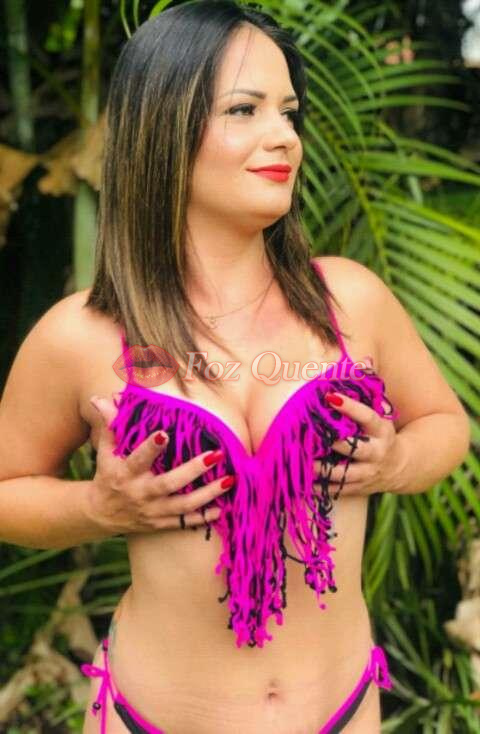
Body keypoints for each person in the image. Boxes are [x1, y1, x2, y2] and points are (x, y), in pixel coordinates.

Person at [0, 1, 470, 732]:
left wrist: (397, 461)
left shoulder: (350, 300)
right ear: (164, 125)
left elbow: (446, 424)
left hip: (344, 712)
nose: (284, 136)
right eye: (244, 110)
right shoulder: (81, 336)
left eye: (289, 112)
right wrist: (96, 508)